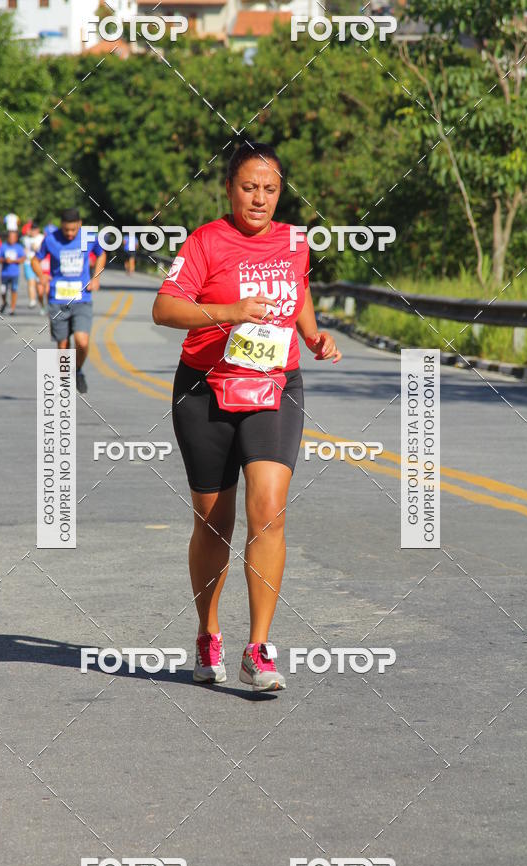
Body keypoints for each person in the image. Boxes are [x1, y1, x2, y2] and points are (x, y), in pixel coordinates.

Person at [152, 142, 342, 692]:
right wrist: (227, 312)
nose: (259, 198)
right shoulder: (206, 241)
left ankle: (258, 649)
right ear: (230, 189)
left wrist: (311, 333)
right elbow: (164, 309)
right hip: (205, 391)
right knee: (215, 522)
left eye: (270, 189)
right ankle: (207, 634)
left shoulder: (294, 241)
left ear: (281, 192)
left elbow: (297, 288)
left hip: (273, 386)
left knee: (270, 511)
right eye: (248, 187)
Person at [32, 208, 106, 394]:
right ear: (61, 226)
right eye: (66, 230)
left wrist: (95, 277)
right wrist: (41, 276)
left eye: (73, 230)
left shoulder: (88, 236)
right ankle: (65, 381)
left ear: (80, 224)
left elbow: (101, 253)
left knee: (82, 341)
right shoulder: (51, 239)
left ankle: (78, 370)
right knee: (63, 344)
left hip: (82, 298)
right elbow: (35, 260)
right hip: (58, 299)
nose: (70, 234)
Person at [0, 231, 25, 315]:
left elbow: (23, 258)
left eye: (14, 237)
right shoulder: (3, 246)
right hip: (4, 273)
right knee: (3, 290)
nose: (12, 239)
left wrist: (14, 260)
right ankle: (4, 302)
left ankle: (12, 309)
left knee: (14, 290)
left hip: (14, 273)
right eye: (10, 237)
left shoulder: (19, 247)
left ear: (16, 238)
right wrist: (5, 260)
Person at [22, 225, 43, 309]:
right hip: (28, 262)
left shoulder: (42, 237)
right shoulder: (25, 239)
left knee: (40, 288)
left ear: (38, 230)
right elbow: (24, 249)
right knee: (31, 282)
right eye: (31, 230)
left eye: (34, 230)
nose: (33, 232)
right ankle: (32, 300)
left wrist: (36, 248)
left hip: (39, 263)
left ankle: (43, 306)